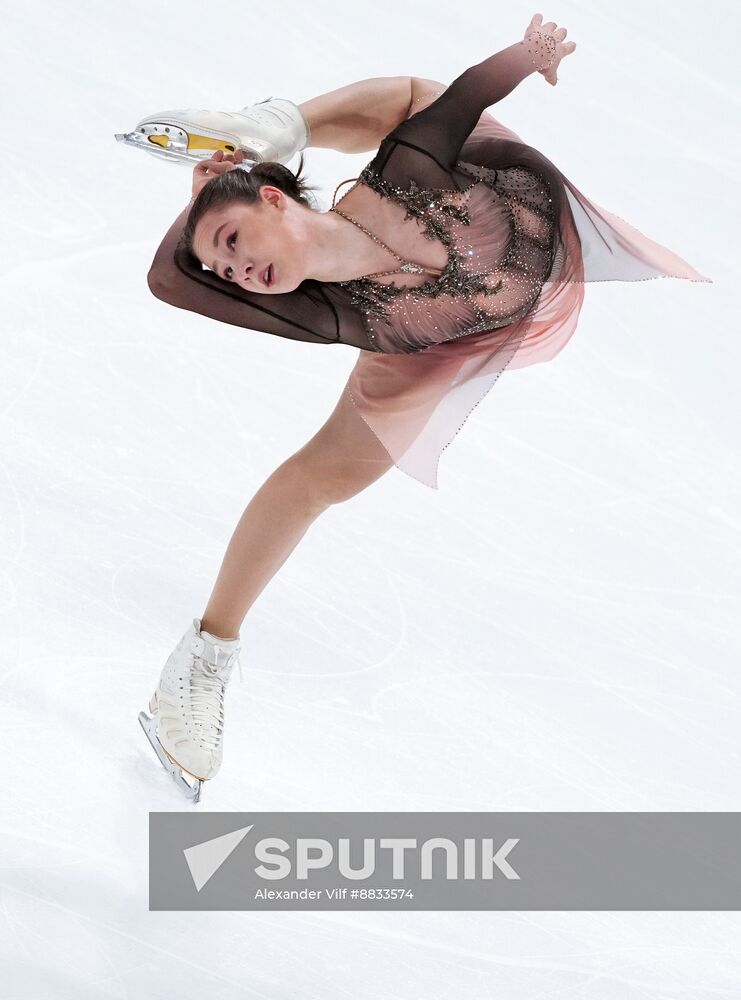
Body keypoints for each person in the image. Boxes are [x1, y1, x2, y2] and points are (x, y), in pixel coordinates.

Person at [138, 15, 711, 801]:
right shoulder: (326, 312)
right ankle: (202, 662)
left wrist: (527, 56)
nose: (238, 269)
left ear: (274, 197)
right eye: (227, 269)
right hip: (436, 342)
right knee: (317, 481)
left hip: (499, 201)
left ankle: (276, 123)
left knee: (417, 100)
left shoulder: (406, 174)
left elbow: (463, 94)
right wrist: (202, 202)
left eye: (235, 239)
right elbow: (169, 282)